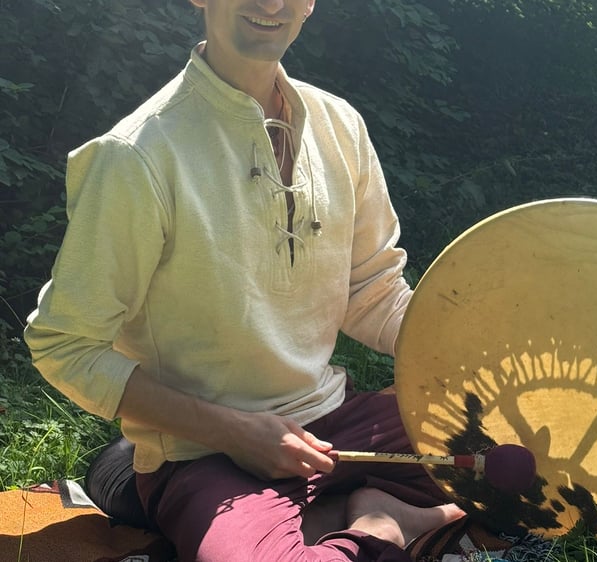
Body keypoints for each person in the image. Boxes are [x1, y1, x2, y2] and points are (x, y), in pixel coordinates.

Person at [24, 0, 465, 560]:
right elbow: (66, 345)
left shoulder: (341, 126)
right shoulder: (135, 156)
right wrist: (234, 431)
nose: (272, 4)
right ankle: (382, 525)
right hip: (204, 455)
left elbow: (371, 290)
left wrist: (467, 355)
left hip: (335, 424)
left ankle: (339, 519)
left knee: (519, 458)